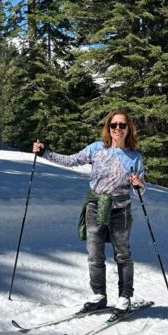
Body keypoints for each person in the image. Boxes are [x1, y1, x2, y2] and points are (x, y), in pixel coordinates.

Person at [33, 110, 145, 314]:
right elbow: (71, 160)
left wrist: (138, 185)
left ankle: (125, 297)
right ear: (108, 128)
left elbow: (140, 190)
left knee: (123, 255)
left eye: (122, 125)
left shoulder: (134, 157)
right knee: (94, 255)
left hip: (121, 211)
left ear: (129, 128)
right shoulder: (96, 149)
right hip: (94, 207)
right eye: (114, 125)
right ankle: (99, 295)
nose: (117, 129)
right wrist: (44, 153)